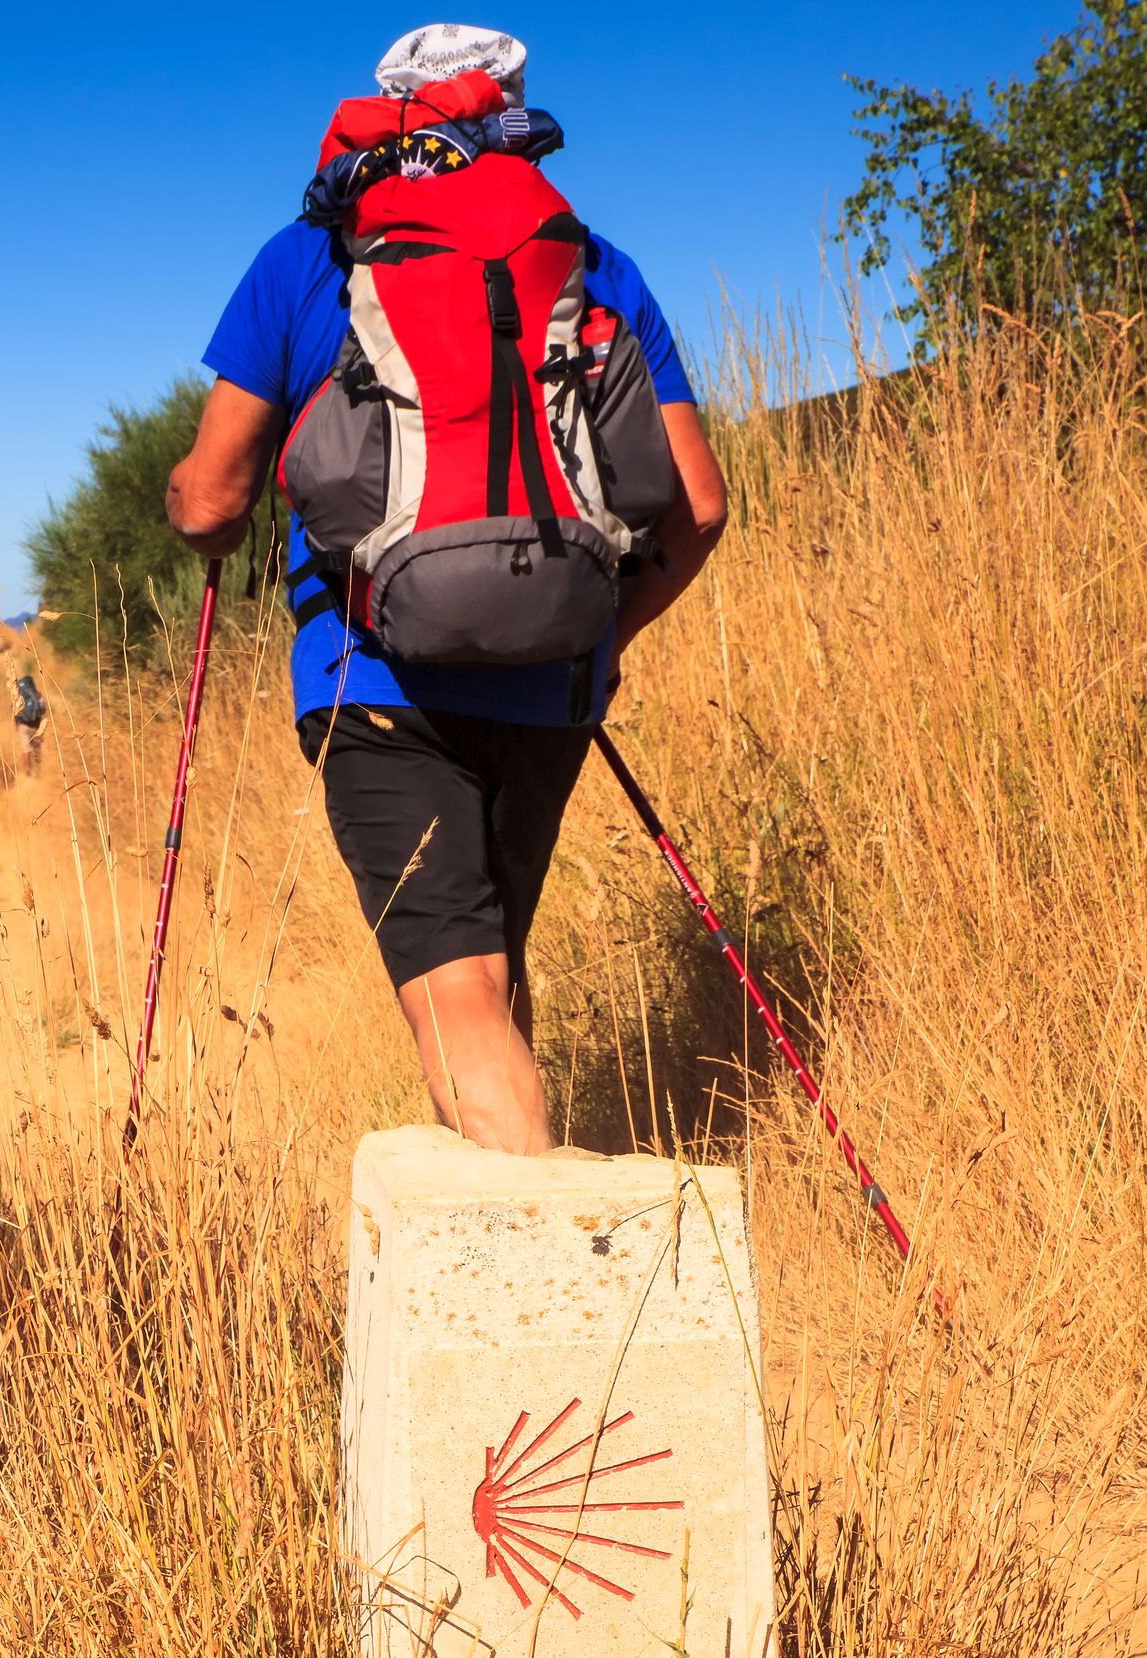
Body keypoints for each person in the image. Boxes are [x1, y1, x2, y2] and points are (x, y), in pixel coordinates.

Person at [165, 23, 728, 1156]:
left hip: (374, 677)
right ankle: (517, 1247)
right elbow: (698, 506)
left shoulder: (307, 256)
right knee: (494, 966)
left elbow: (213, 501)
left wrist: (189, 503)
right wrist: (596, 632)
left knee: (457, 987)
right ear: (511, 108)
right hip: (554, 678)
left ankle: (537, 1290)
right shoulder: (587, 261)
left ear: (392, 110)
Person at [12, 670, 48, 776]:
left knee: (25, 748)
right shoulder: (38, 695)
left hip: (23, 726)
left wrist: (16, 725)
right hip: (36, 726)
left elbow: (13, 711)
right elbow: (43, 709)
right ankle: (38, 769)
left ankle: (27, 770)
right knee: (37, 748)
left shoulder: (18, 697)